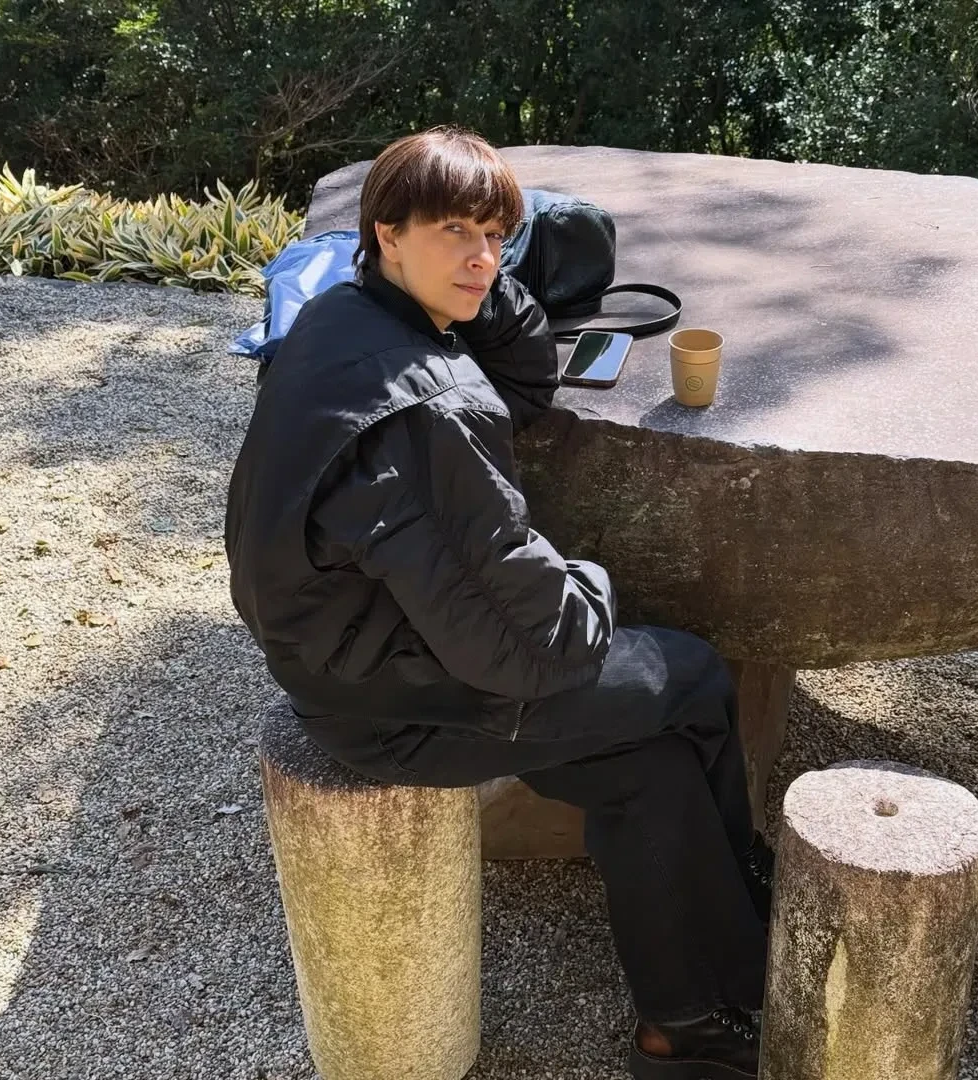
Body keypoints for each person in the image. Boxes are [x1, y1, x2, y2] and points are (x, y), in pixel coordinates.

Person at [226, 126, 770, 1079]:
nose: (482, 258)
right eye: (454, 233)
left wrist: (474, 278)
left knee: (649, 765)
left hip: (343, 653)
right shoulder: (427, 412)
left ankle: (683, 1025)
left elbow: (521, 382)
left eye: (495, 236)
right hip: (390, 705)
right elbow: (534, 649)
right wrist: (596, 579)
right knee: (691, 677)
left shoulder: (342, 311)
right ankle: (743, 916)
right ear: (387, 233)